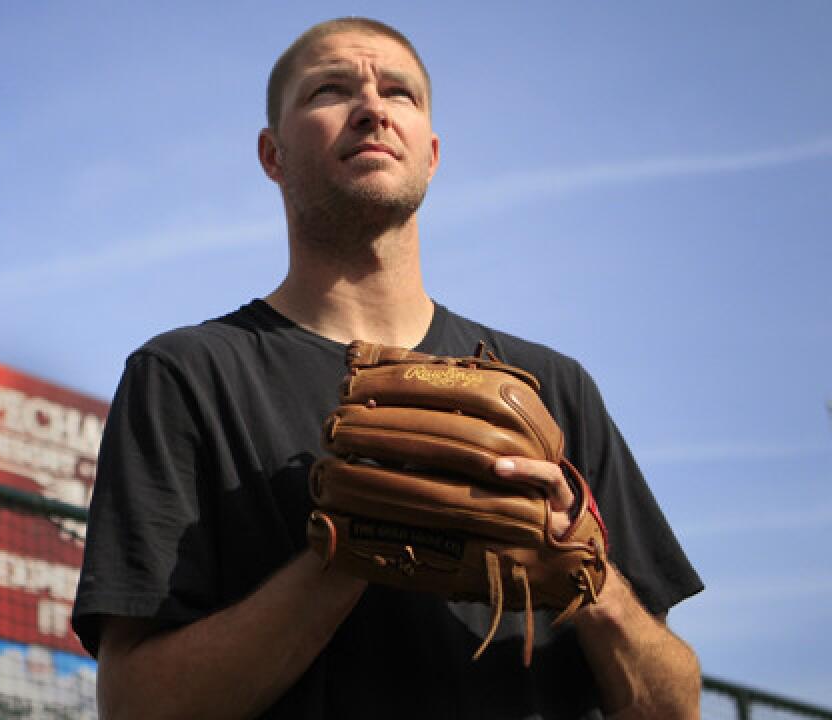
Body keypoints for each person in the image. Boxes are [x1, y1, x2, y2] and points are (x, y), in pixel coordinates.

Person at [72, 16, 704, 719]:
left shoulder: (549, 388)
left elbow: (674, 706)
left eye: (399, 93)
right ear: (271, 153)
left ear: (431, 153)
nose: (373, 109)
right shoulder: (185, 374)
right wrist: (349, 549)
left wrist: (588, 578)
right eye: (330, 90)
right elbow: (134, 707)